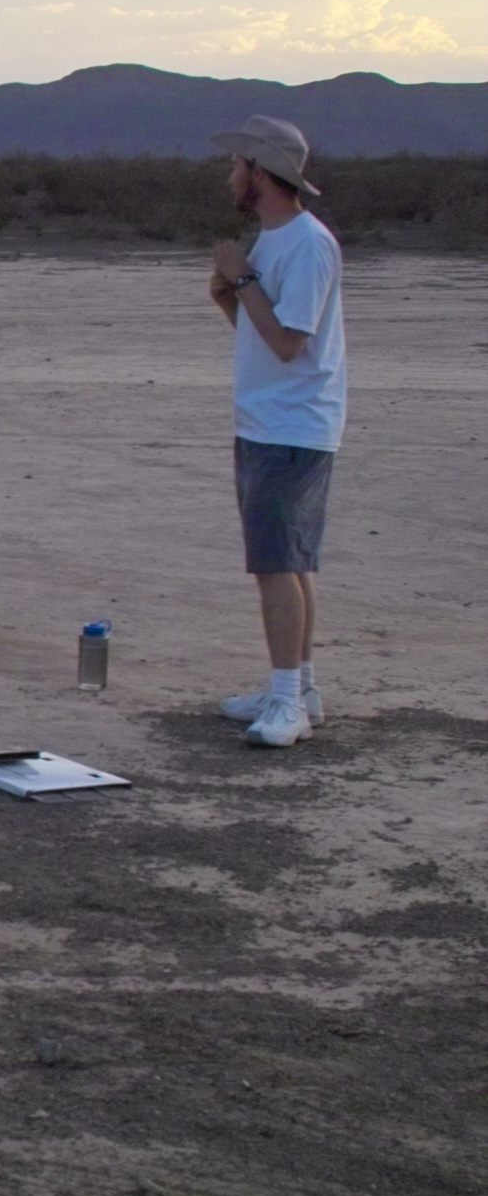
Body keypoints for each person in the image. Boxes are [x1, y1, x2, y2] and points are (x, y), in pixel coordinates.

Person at [207, 116, 345, 749]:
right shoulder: (271, 241)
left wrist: (242, 279)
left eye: (237, 166)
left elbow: (290, 342)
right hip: (269, 420)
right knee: (289, 559)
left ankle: (287, 700)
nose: (230, 176)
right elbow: (263, 334)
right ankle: (299, 687)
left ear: (260, 173)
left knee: (274, 564)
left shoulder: (308, 244)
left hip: (294, 423)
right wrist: (230, 296)